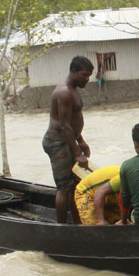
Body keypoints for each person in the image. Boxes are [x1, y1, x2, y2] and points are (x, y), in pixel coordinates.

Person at [43, 56, 94, 224]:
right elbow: (64, 126)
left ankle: (77, 224)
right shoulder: (64, 92)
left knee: (74, 187)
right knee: (64, 188)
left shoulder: (73, 89)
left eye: (89, 76)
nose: (87, 79)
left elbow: (72, 123)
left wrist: (81, 140)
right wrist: (78, 153)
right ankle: (62, 227)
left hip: (68, 139)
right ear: (73, 72)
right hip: (57, 141)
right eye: (84, 75)